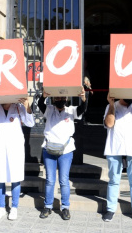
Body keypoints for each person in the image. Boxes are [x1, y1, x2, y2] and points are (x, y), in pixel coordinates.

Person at [0, 98, 35, 220]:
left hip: (15, 148)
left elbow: (31, 123)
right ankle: (1, 208)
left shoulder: (18, 107)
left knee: (15, 178)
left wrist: (27, 107)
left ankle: (14, 208)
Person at [38, 87, 86, 220]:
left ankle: (65, 207)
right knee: (50, 180)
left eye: (62, 98)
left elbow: (82, 110)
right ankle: (47, 206)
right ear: (53, 99)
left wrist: (83, 99)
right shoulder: (49, 110)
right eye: (57, 98)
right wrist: (43, 96)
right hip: (49, 150)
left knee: (64, 180)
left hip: (66, 151)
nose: (60, 100)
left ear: (67, 99)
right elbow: (40, 105)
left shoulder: (71, 110)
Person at [102, 93, 132, 224]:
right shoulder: (111, 106)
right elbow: (109, 124)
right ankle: (111, 209)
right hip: (115, 148)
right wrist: (111, 105)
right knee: (114, 180)